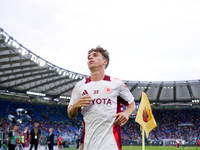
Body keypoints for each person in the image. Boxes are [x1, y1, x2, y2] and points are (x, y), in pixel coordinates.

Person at [68, 46, 136, 150]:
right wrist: (75, 106)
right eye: (89, 57)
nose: (90, 58)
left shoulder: (116, 83)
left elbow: (132, 105)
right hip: (88, 145)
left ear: (105, 62)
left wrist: (126, 113)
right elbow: (70, 114)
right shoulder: (80, 86)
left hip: (111, 144)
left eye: (95, 55)